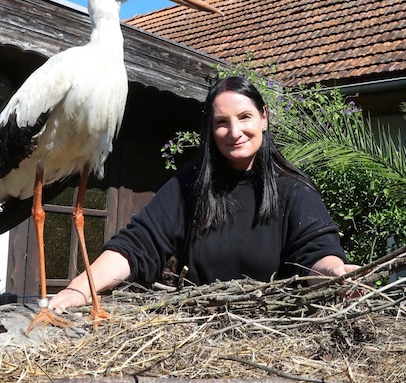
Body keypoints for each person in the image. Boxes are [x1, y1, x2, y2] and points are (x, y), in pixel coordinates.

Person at [49, 76, 358, 312]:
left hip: (278, 337)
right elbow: (137, 244)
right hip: (199, 335)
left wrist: (337, 273)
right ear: (210, 129)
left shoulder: (294, 189)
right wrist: (80, 289)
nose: (234, 132)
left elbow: (316, 255)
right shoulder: (191, 185)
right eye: (222, 123)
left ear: (264, 117)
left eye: (245, 117)